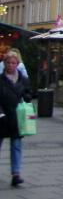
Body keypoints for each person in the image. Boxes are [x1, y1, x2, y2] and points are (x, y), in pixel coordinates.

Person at [0, 50, 33, 187]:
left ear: (17, 64)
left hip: (17, 117)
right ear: (4, 64)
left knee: (16, 146)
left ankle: (16, 174)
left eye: (13, 63)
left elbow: (29, 94)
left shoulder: (23, 79)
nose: (11, 65)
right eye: (8, 63)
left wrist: (28, 97)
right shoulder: (0, 79)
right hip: (2, 117)